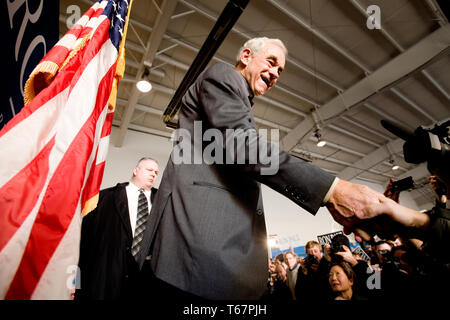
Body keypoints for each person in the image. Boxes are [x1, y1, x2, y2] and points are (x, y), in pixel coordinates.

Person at [138, 37, 386, 300]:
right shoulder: (224, 75)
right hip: (198, 255)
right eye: (271, 62)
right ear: (246, 56)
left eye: (281, 71)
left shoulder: (241, 101)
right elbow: (244, 146)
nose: (276, 74)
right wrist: (332, 191)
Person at [75, 157, 159, 300]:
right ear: (136, 171)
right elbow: (82, 242)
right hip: (105, 278)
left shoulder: (162, 203)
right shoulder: (103, 198)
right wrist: (74, 283)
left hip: (143, 281)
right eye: (149, 170)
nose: (153, 174)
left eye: (156, 172)